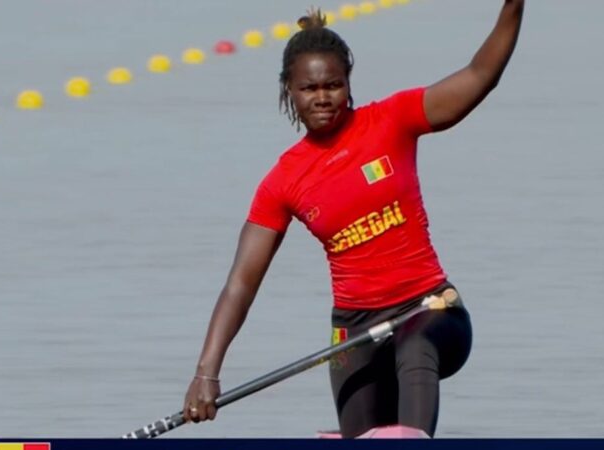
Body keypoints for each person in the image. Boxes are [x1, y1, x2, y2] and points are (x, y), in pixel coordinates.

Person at [182, 0, 524, 438]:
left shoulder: (392, 120)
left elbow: (480, 75)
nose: (322, 97)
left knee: (415, 345)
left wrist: (514, 6)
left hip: (430, 312)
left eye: (333, 85)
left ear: (348, 84)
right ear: (289, 89)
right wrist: (206, 373)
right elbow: (240, 284)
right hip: (355, 331)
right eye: (309, 88)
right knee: (359, 431)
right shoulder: (282, 181)